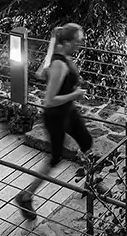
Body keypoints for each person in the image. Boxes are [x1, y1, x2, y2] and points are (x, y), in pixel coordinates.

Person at [15, 23, 93, 220]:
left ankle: (91, 185)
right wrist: (75, 93)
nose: (80, 45)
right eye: (77, 41)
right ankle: (25, 196)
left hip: (69, 111)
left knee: (87, 143)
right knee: (55, 158)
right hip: (56, 115)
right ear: (66, 42)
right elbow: (50, 100)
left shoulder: (62, 56)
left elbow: (44, 71)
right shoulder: (58, 63)